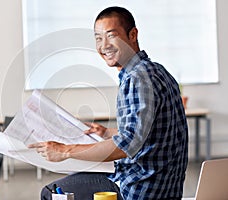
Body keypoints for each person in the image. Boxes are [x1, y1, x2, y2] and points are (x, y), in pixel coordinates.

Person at [29, 6, 188, 200]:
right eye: (98, 38)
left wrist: (65, 151)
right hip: (166, 188)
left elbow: (126, 145)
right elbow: (149, 134)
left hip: (139, 188)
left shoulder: (137, 78)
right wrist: (106, 133)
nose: (104, 45)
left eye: (111, 36)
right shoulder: (156, 71)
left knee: (50, 193)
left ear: (133, 34)